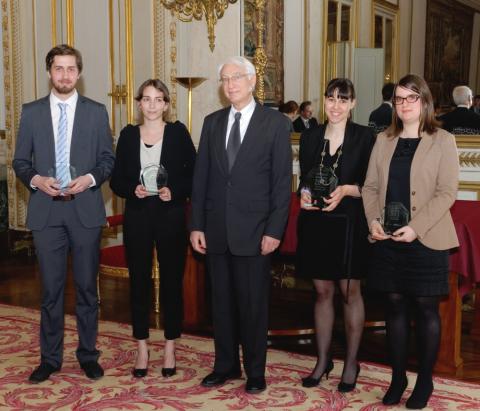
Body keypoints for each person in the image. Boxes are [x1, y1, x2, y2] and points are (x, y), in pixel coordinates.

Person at [12, 44, 115, 383]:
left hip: (84, 212)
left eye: (71, 69)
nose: (65, 75)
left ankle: (88, 355)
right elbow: (20, 162)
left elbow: (107, 160)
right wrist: (36, 179)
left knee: (87, 289)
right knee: (51, 291)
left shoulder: (97, 112)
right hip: (46, 214)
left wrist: (89, 179)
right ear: (49, 72)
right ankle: (50, 358)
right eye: (59, 68)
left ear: (79, 74)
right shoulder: (31, 112)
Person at [190, 56, 291, 394]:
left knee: (253, 306)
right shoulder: (212, 122)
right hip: (216, 231)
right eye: (224, 79)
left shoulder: (274, 124)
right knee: (221, 303)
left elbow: (281, 184)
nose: (229, 84)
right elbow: (201, 178)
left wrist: (274, 231)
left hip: (256, 232)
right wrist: (196, 225)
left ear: (252, 81)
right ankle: (226, 365)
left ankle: (256, 371)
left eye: (236, 77)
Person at [362, 74, 459, 409]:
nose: (404, 104)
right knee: (394, 307)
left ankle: (425, 380)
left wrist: (416, 227)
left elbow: (447, 192)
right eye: (399, 99)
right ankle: (398, 376)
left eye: (411, 98)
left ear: (425, 102)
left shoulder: (442, 140)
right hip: (387, 238)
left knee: (425, 308)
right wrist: (373, 220)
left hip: (426, 237)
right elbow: (370, 188)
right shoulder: (383, 139)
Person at [110, 79, 196, 378]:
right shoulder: (128, 135)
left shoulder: (178, 133)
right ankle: (142, 347)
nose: (152, 105)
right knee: (139, 283)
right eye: (146, 99)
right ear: (138, 103)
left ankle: (170, 346)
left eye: (158, 99)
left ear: (166, 104)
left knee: (172, 282)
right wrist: (130, 188)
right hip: (138, 218)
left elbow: (193, 174)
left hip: (170, 217)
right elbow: (116, 179)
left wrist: (176, 190)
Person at [297, 78, 375, 392]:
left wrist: (346, 190)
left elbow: (372, 186)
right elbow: (305, 177)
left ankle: (351, 362)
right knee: (322, 294)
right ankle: (322, 359)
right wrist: (302, 193)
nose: (336, 106)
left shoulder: (365, 137)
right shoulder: (311, 136)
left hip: (350, 222)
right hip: (316, 222)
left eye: (343, 100)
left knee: (349, 294)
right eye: (331, 98)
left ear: (353, 104)